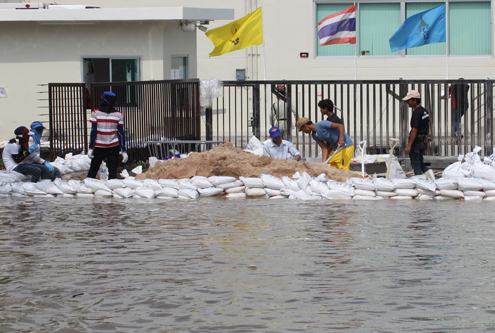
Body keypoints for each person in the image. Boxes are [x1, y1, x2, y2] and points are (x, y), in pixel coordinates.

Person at [87, 91, 128, 180]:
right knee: (113, 172)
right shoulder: (118, 115)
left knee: (93, 170)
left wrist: (90, 148)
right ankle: (112, 190)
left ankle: (89, 187)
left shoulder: (95, 113)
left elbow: (93, 131)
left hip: (99, 146)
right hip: (113, 146)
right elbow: (121, 134)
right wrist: (124, 150)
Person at [402, 90, 435, 181]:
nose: (407, 102)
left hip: (416, 142)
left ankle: (420, 181)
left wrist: (409, 145)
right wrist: (427, 140)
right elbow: (427, 126)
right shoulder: (424, 111)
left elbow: (414, 129)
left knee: (416, 163)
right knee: (420, 161)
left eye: (409, 100)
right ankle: (432, 179)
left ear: (415, 100)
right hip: (423, 141)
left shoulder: (417, 113)